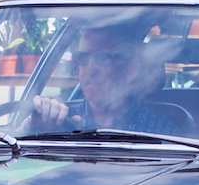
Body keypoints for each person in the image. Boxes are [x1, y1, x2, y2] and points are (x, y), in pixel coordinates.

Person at [26, 25, 178, 134]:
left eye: (104, 59)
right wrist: (30, 130)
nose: (90, 70)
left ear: (132, 69)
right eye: (83, 58)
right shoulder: (58, 119)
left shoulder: (162, 132)